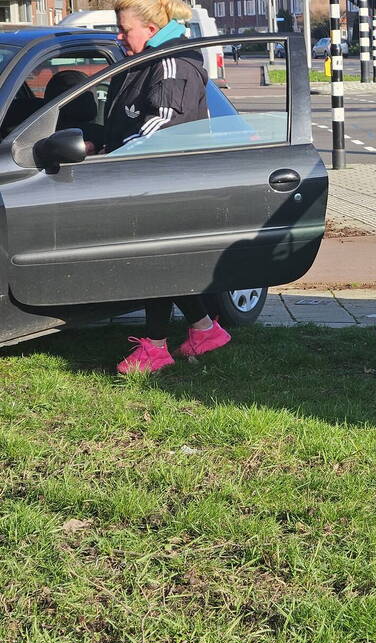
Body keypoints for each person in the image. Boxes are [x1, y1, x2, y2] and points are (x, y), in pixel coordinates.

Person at [107, 0, 231, 374]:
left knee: (155, 263)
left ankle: (155, 348)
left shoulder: (172, 63)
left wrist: (115, 153)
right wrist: (100, 139)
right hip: (150, 178)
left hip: (167, 181)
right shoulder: (147, 59)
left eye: (124, 29)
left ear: (150, 29)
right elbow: (124, 118)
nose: (119, 36)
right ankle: (205, 330)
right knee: (161, 262)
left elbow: (161, 125)